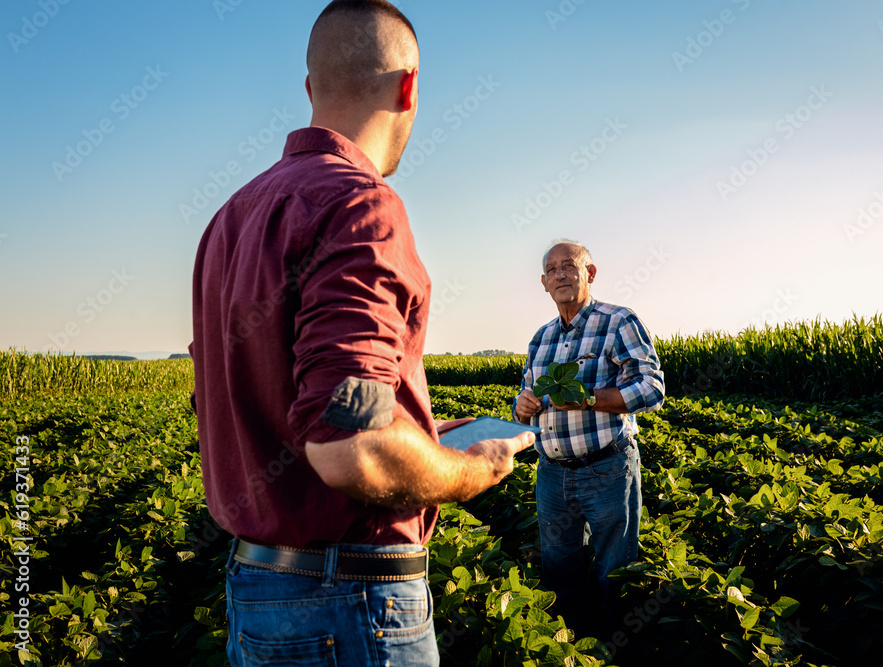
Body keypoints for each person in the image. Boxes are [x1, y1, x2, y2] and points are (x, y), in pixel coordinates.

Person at [190, 2, 534, 665]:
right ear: (409, 87)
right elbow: (353, 445)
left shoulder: (229, 218)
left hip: (257, 589)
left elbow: (245, 405)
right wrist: (468, 468)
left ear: (312, 89)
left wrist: (421, 435)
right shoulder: (360, 204)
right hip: (349, 603)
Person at [513, 241, 664, 634]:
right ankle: (573, 646)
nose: (560, 274)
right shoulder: (540, 338)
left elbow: (652, 389)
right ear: (544, 283)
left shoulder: (618, 322)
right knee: (560, 570)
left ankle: (614, 645)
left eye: (569, 266)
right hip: (552, 474)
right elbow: (526, 394)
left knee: (614, 571)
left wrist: (589, 399)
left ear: (590, 273)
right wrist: (522, 406)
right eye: (552, 270)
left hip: (608, 469)